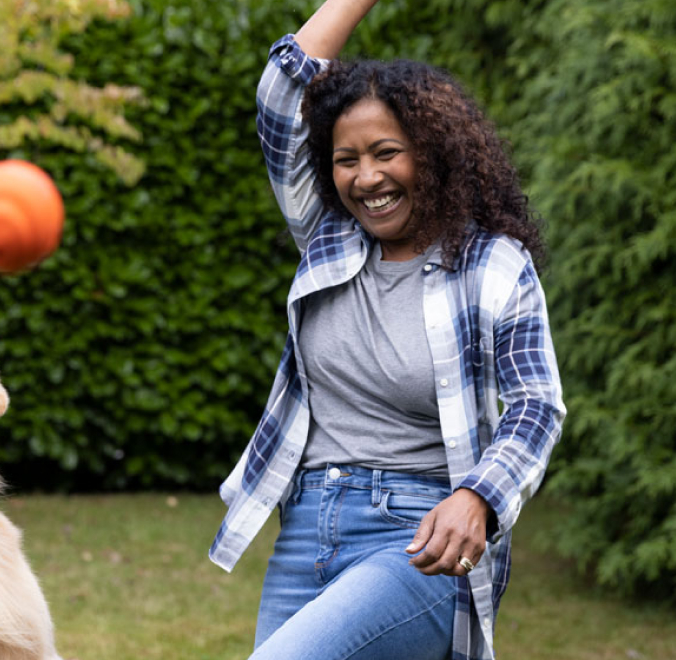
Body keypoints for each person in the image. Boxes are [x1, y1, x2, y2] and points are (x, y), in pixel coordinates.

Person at [208, 1, 565, 659]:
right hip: (307, 526)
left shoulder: (491, 265)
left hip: (422, 535)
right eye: (346, 159)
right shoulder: (328, 237)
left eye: (386, 152)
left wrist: (477, 497)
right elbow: (281, 93)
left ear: (432, 154)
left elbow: (537, 405)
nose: (366, 177)